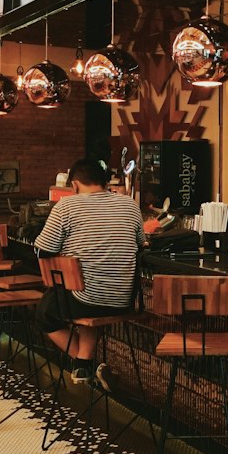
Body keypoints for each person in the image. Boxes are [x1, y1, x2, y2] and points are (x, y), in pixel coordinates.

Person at [34, 156, 146, 384]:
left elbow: (42, 251)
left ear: (74, 184)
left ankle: (88, 365)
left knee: (45, 313)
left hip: (83, 299)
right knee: (87, 292)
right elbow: (142, 245)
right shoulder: (130, 205)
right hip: (123, 299)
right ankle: (83, 366)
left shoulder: (66, 205)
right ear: (105, 182)